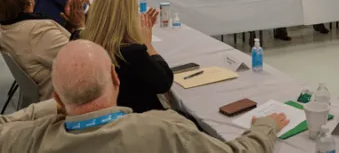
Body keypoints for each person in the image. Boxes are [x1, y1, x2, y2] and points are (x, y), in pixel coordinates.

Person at [0, 40, 289, 153]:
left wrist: (56, 106)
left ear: (57, 99)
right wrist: (266, 127)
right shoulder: (164, 129)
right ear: (116, 80)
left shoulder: (28, 140)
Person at [80, 0, 173, 113]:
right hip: (137, 122)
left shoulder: (82, 43)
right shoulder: (131, 53)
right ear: (129, 14)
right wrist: (147, 43)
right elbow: (164, 82)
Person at [0, 0, 85, 101]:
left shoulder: (6, 29)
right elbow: (85, 62)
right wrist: (80, 26)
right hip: (68, 101)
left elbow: (52, 49)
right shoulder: (38, 33)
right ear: (28, 1)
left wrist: (70, 25)